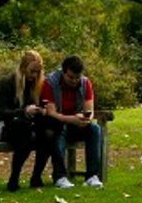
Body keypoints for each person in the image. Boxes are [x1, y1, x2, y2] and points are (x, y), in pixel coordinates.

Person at [0, 49, 53, 192]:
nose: (35, 75)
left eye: (38, 72)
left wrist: (41, 111)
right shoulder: (7, 83)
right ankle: (14, 178)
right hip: (9, 126)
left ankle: (36, 177)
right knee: (25, 132)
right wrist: (23, 111)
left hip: (31, 125)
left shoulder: (38, 84)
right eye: (32, 71)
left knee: (48, 133)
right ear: (23, 68)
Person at [43, 54, 103, 188]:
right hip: (57, 123)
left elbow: (89, 108)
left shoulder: (85, 83)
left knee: (95, 130)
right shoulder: (50, 83)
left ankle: (92, 176)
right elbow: (51, 112)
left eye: (77, 78)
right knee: (59, 130)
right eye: (70, 77)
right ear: (63, 72)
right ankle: (60, 176)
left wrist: (86, 119)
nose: (74, 81)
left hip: (77, 123)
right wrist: (71, 119)